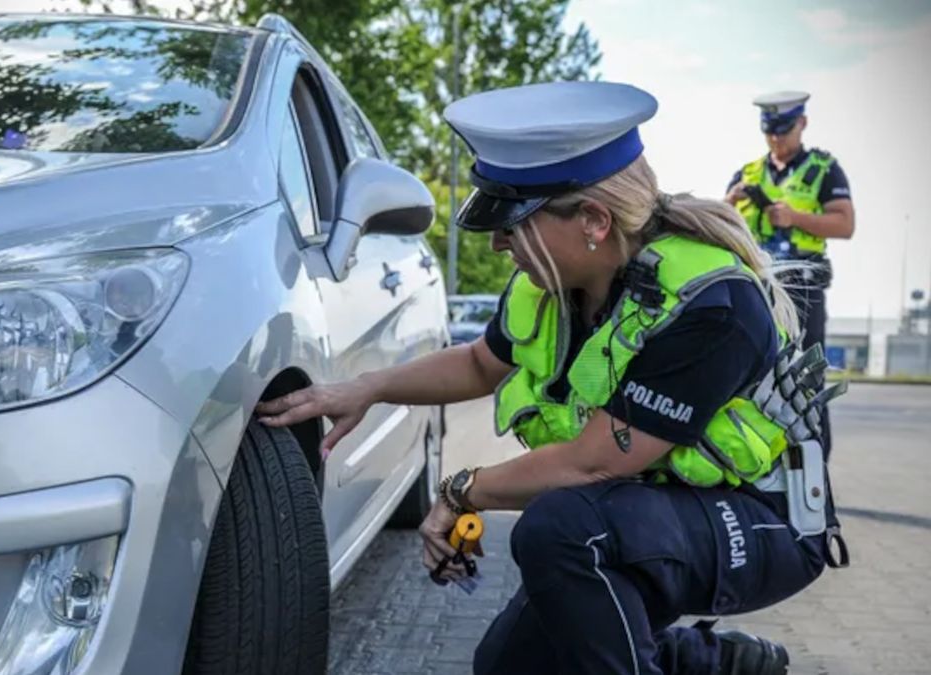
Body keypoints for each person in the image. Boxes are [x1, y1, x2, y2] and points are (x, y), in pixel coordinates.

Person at [257, 81, 846, 674]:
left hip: (761, 522)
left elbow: (594, 463)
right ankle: (711, 664)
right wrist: (368, 388)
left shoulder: (711, 304)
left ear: (593, 219)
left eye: (514, 224)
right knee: (506, 666)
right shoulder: (551, 284)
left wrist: (461, 490)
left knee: (561, 531)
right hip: (652, 508)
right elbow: (479, 364)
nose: (498, 243)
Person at [724, 91, 855, 358]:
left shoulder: (823, 169)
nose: (776, 138)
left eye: (784, 131)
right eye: (770, 131)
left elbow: (845, 223)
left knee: (803, 367)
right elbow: (719, 224)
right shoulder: (749, 173)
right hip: (756, 282)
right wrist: (728, 202)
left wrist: (795, 218)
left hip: (801, 287)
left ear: (802, 123)